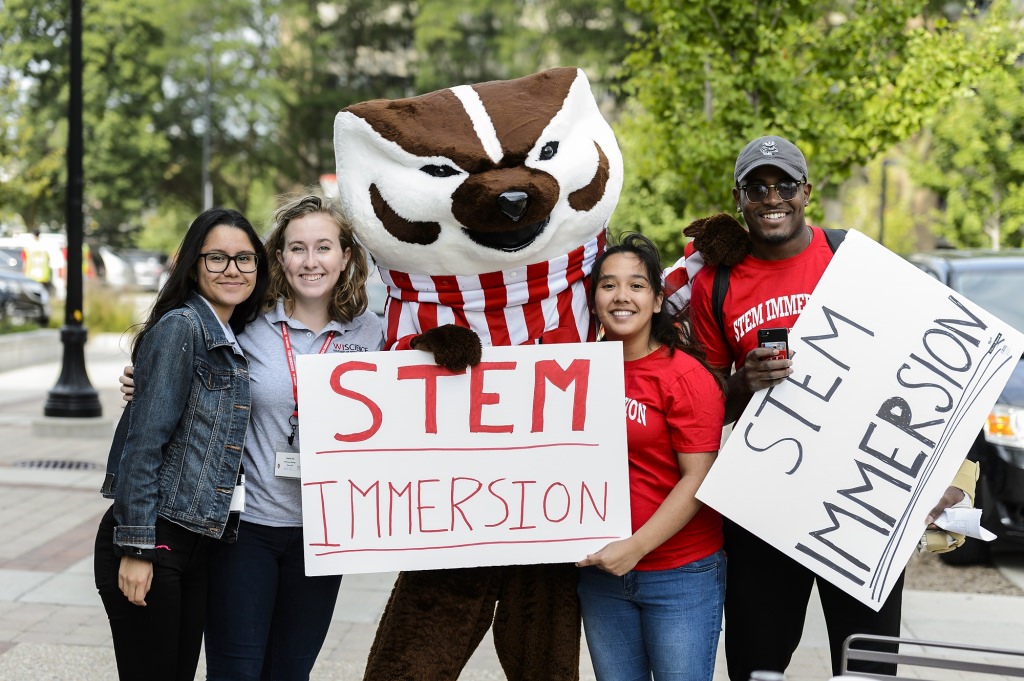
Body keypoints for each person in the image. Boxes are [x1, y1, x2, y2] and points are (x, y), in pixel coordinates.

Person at [686, 135, 972, 680]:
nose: (772, 197)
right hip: (765, 504)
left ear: (806, 192)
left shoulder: (854, 258)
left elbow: (939, 370)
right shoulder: (715, 283)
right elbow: (705, 406)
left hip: (861, 499)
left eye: (784, 184)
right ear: (740, 197)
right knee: (756, 665)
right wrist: (742, 384)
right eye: (757, 187)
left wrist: (957, 475)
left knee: (867, 665)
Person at [121, 192, 385, 680]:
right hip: (246, 531)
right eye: (297, 248)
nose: (311, 261)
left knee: (290, 672)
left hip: (323, 536)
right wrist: (142, 376)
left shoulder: (375, 334)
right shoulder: (245, 322)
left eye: (324, 247)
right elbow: (186, 363)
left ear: (346, 256)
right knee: (236, 672)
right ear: (279, 257)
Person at [94, 207, 270, 681]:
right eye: (216, 258)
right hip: (156, 537)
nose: (232, 269)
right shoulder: (183, 327)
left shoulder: (230, 334)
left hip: (195, 542)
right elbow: (143, 444)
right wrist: (136, 548)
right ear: (193, 264)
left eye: (244, 258)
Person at [575, 233, 727, 681]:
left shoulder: (685, 376)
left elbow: (698, 479)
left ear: (659, 300)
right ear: (594, 298)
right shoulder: (573, 370)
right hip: (601, 574)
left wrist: (635, 548)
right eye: (608, 285)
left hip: (680, 575)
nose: (622, 296)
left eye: (637, 285)